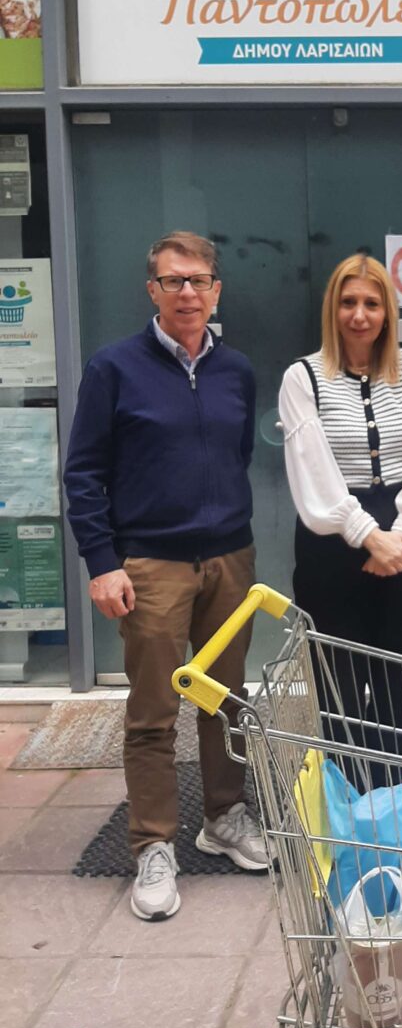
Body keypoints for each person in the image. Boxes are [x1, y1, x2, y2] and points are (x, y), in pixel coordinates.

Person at [64, 231, 266, 922]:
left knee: (227, 700)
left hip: (230, 559)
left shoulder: (236, 370)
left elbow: (238, 455)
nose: (186, 292)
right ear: (152, 290)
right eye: (173, 281)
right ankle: (153, 844)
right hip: (150, 564)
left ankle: (223, 818)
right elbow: (84, 472)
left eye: (198, 280)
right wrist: (102, 562)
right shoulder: (113, 368)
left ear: (216, 291)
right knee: (153, 711)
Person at [279, 253, 402, 788]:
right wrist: (368, 537)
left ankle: (389, 800)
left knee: (396, 684)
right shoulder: (302, 376)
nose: (359, 315)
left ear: (387, 311)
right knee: (340, 689)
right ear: (332, 309)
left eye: (371, 303)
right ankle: (348, 804)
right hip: (332, 545)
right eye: (348, 302)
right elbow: (312, 467)